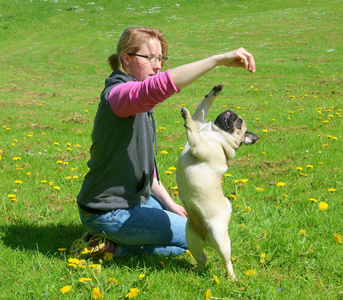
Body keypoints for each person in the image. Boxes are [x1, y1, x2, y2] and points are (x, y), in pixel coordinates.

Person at [69, 26, 255, 259]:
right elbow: (157, 87)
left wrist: (169, 204)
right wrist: (216, 60)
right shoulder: (118, 95)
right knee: (195, 239)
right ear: (126, 58)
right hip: (107, 212)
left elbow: (148, 170)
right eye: (150, 58)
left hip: (135, 202)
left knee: (189, 230)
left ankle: (114, 242)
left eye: (161, 59)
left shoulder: (139, 105)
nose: (158, 66)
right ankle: (111, 249)